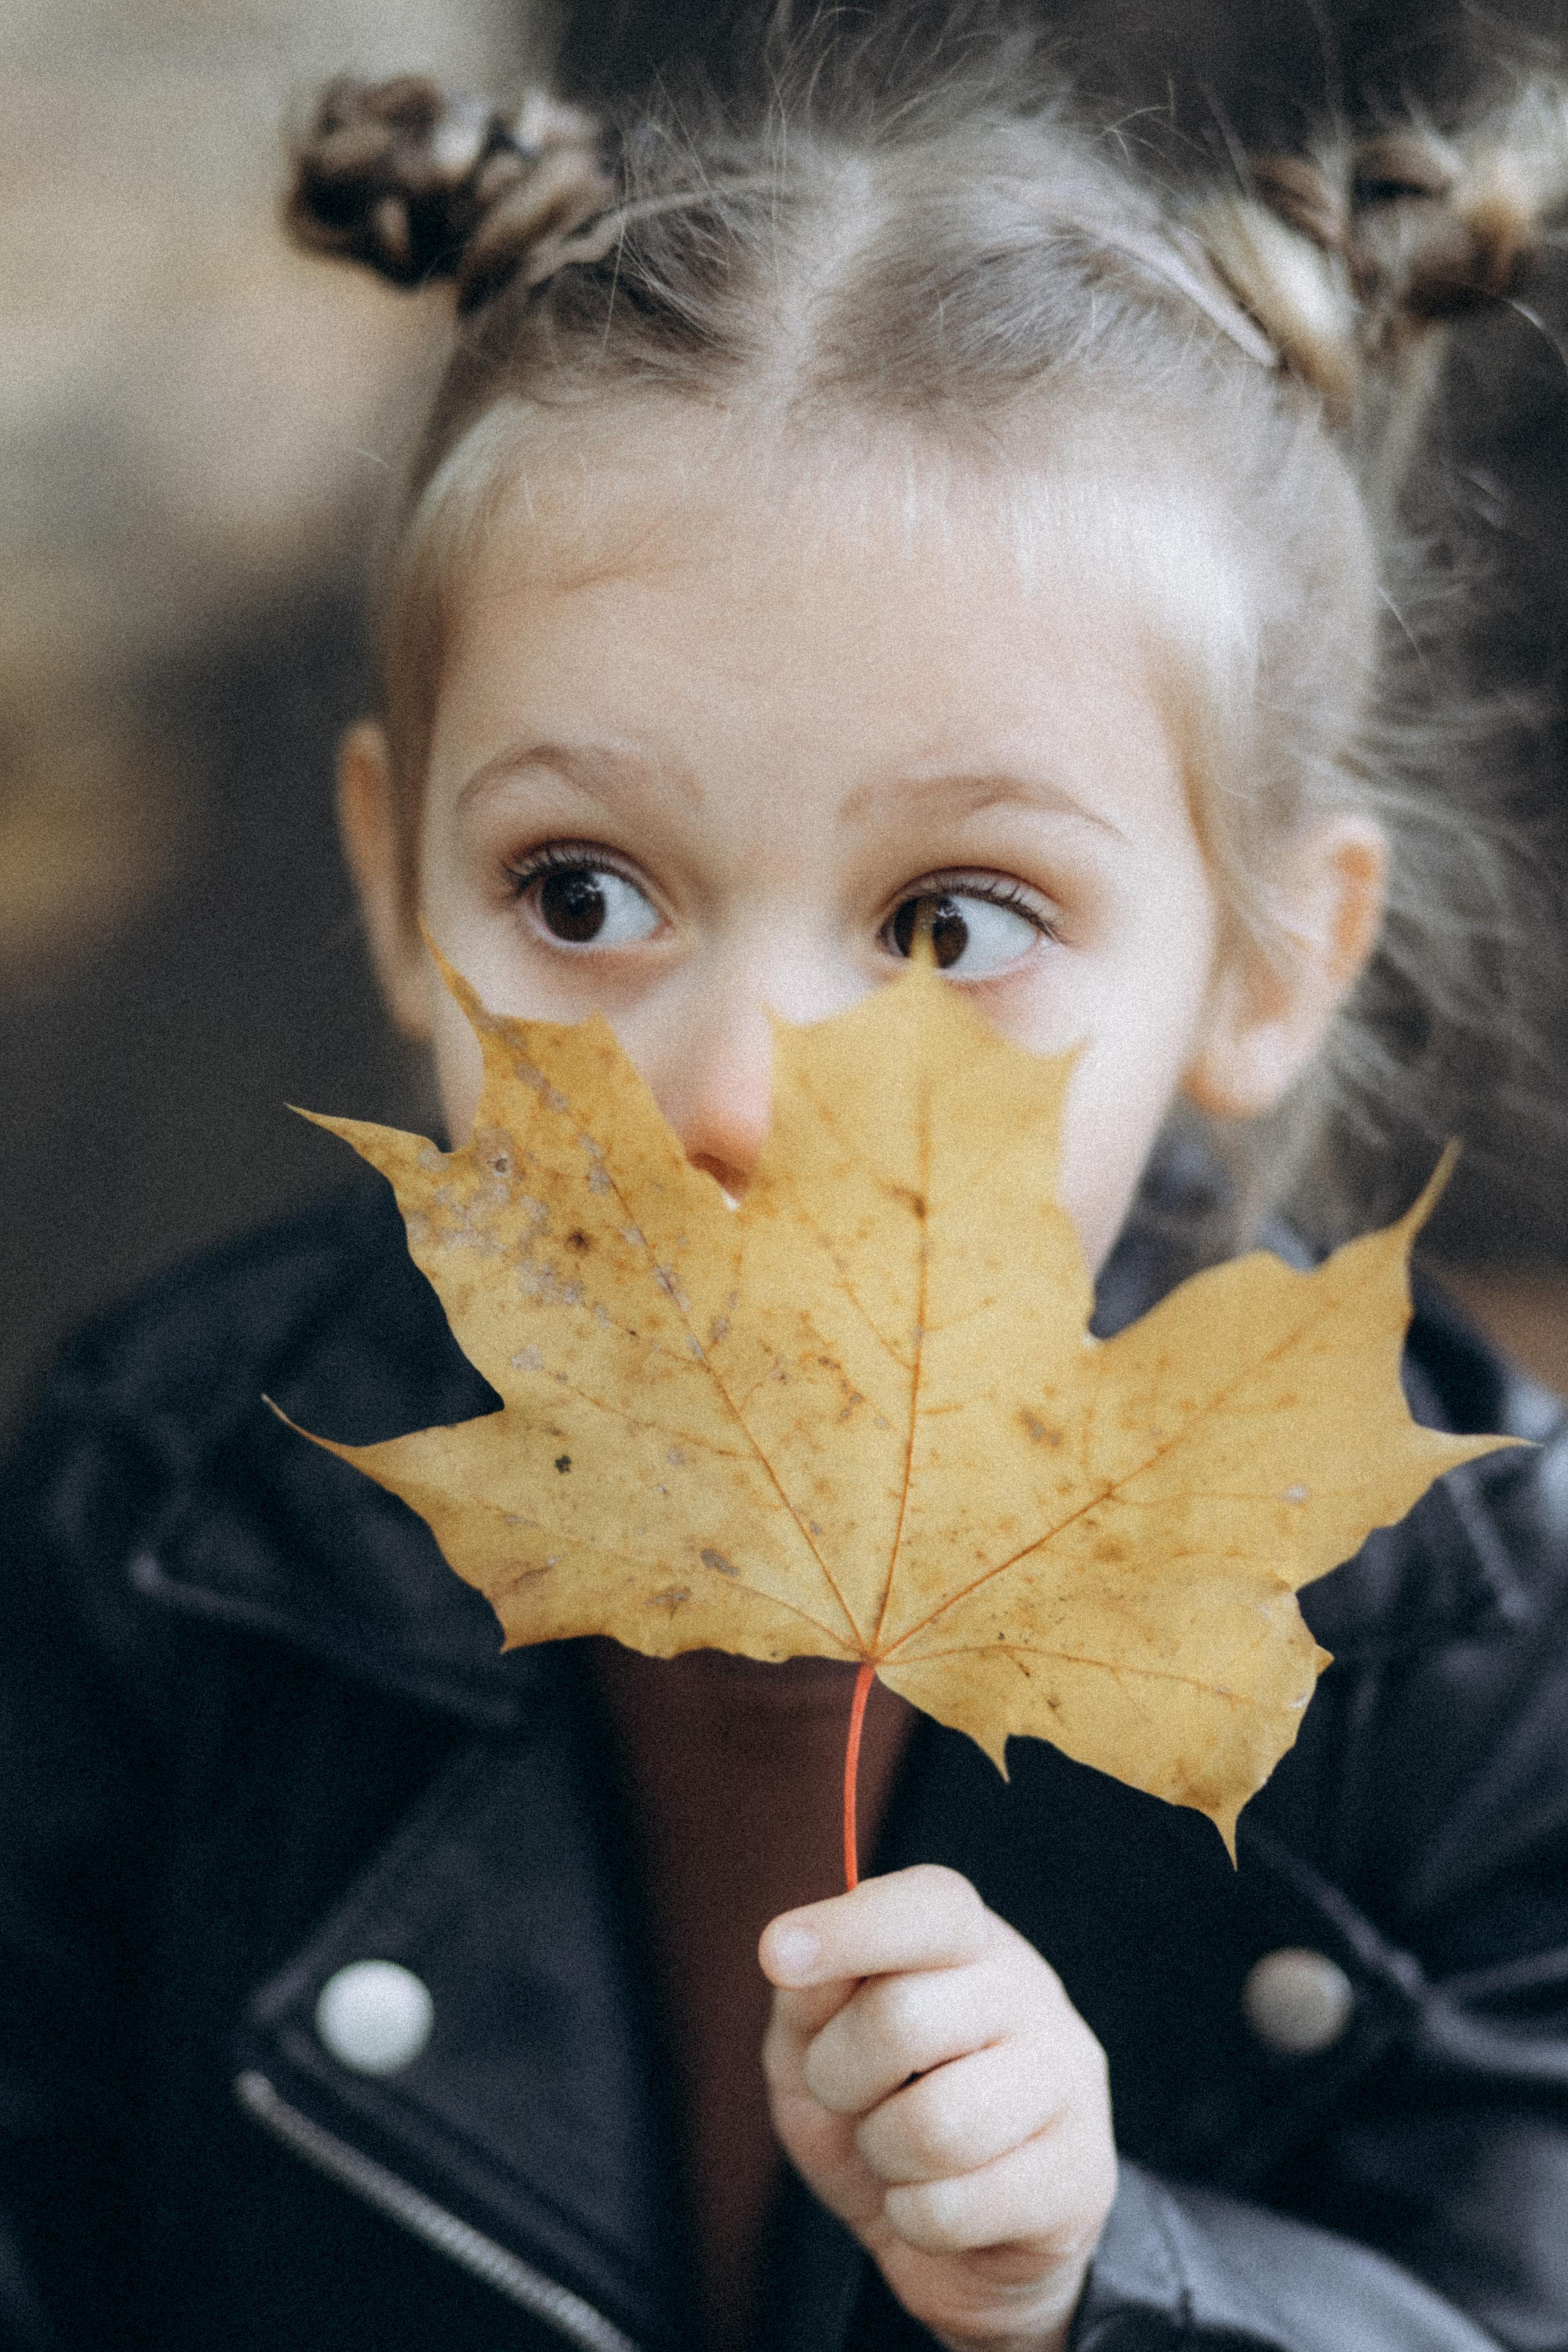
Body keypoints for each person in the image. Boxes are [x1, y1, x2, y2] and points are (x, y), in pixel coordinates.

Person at [4, 10, 1568, 2349]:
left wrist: (1103, 2273)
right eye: (580, 893)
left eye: (950, 925)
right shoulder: (170, 1511)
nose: (732, 1086)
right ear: (390, 885)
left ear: (1269, 967)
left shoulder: (1463, 1650)